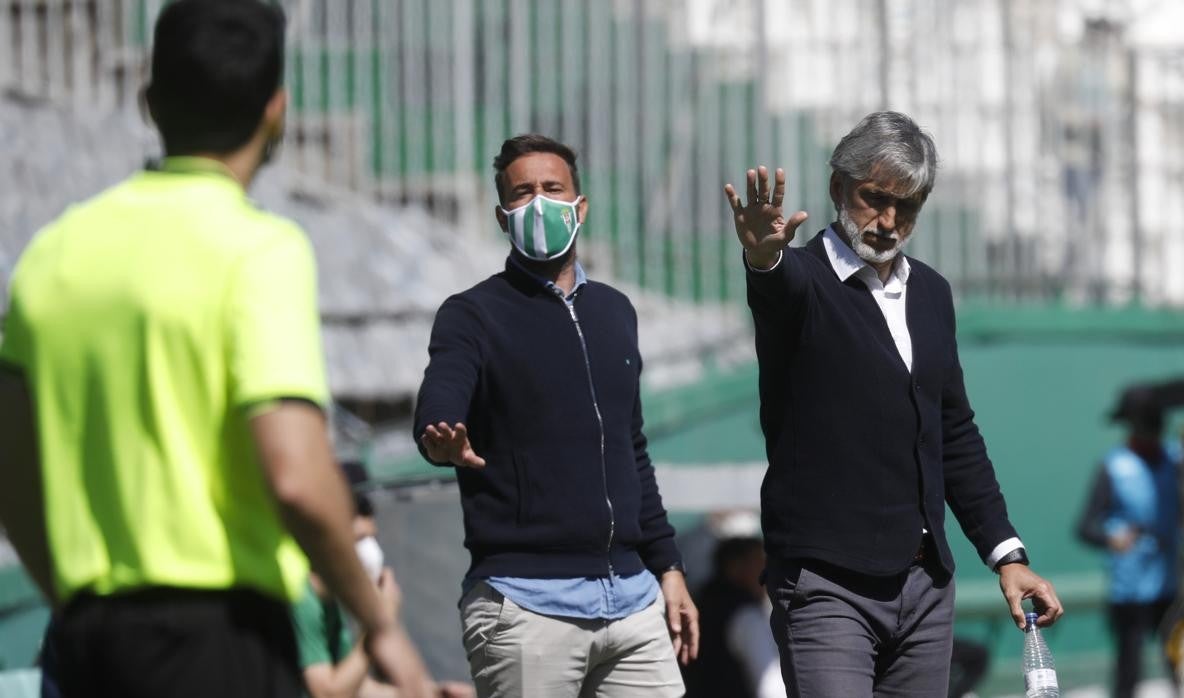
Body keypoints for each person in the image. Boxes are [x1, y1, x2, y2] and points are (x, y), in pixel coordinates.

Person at [0, 2, 430, 696]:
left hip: (86, 644)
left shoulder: (52, 254)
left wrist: (75, 602)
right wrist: (378, 622)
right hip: (221, 642)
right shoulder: (259, 250)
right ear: (276, 112)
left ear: (149, 99)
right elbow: (295, 475)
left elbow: (13, 477)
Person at [721, 111, 1064, 697]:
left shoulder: (931, 292)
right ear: (837, 189)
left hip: (925, 586)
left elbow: (953, 429)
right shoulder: (802, 279)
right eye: (873, 198)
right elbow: (776, 289)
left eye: (906, 206)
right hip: (826, 584)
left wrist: (1006, 553)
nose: (887, 221)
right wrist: (763, 257)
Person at [414, 133, 699, 698]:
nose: (539, 203)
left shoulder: (616, 312)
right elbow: (441, 396)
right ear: (502, 216)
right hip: (526, 605)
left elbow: (631, 449)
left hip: (632, 601)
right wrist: (439, 435)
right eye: (522, 193)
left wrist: (668, 567)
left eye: (552, 188)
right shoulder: (472, 314)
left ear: (581, 205)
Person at [294, 463, 475, 698]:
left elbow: (358, 688)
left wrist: (431, 693)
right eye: (359, 539)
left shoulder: (331, 606)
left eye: (372, 538)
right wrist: (379, 622)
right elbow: (328, 694)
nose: (370, 551)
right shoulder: (301, 599)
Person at [1077, 385, 1182, 698]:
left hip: (1172, 581)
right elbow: (1085, 527)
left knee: (1181, 663)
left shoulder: (1176, 460)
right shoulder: (1114, 466)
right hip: (1130, 588)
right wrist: (1113, 538)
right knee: (1129, 670)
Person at [683, 511, 784, 698]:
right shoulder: (745, 615)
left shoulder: (703, 605)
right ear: (735, 567)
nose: (765, 573)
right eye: (758, 563)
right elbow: (769, 688)